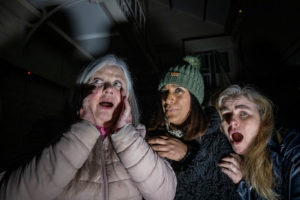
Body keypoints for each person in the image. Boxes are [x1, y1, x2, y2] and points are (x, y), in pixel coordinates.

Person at [0, 55, 177, 200]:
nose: (108, 89)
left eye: (117, 84)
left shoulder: (140, 138)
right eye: (98, 81)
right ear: (81, 92)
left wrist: (125, 135)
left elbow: (165, 194)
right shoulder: (47, 130)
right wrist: (84, 129)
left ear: (127, 99)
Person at [147, 56, 240, 200]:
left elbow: (225, 193)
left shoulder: (216, 139)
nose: (168, 98)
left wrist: (189, 156)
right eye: (165, 91)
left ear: (194, 98)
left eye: (178, 90)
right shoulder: (151, 134)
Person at [216, 85, 300, 200]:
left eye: (243, 113)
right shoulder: (220, 151)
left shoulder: (293, 153)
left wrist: (243, 185)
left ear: (263, 119)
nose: (232, 122)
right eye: (226, 115)